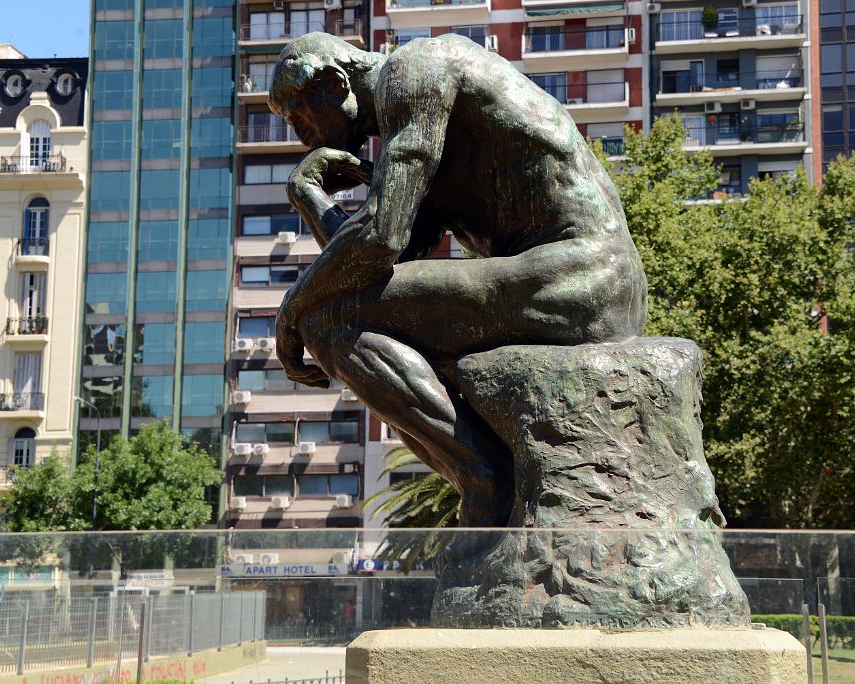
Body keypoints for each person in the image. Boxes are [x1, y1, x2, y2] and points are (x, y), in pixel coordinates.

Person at [269, 32, 647, 527]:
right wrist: (310, 196)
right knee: (333, 320)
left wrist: (291, 313)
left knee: (323, 323)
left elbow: (378, 241)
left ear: (336, 83)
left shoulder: (416, 70)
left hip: (584, 273)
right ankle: (485, 475)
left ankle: (485, 478)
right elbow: (374, 267)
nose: (302, 137)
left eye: (300, 117)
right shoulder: (412, 130)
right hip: (565, 282)